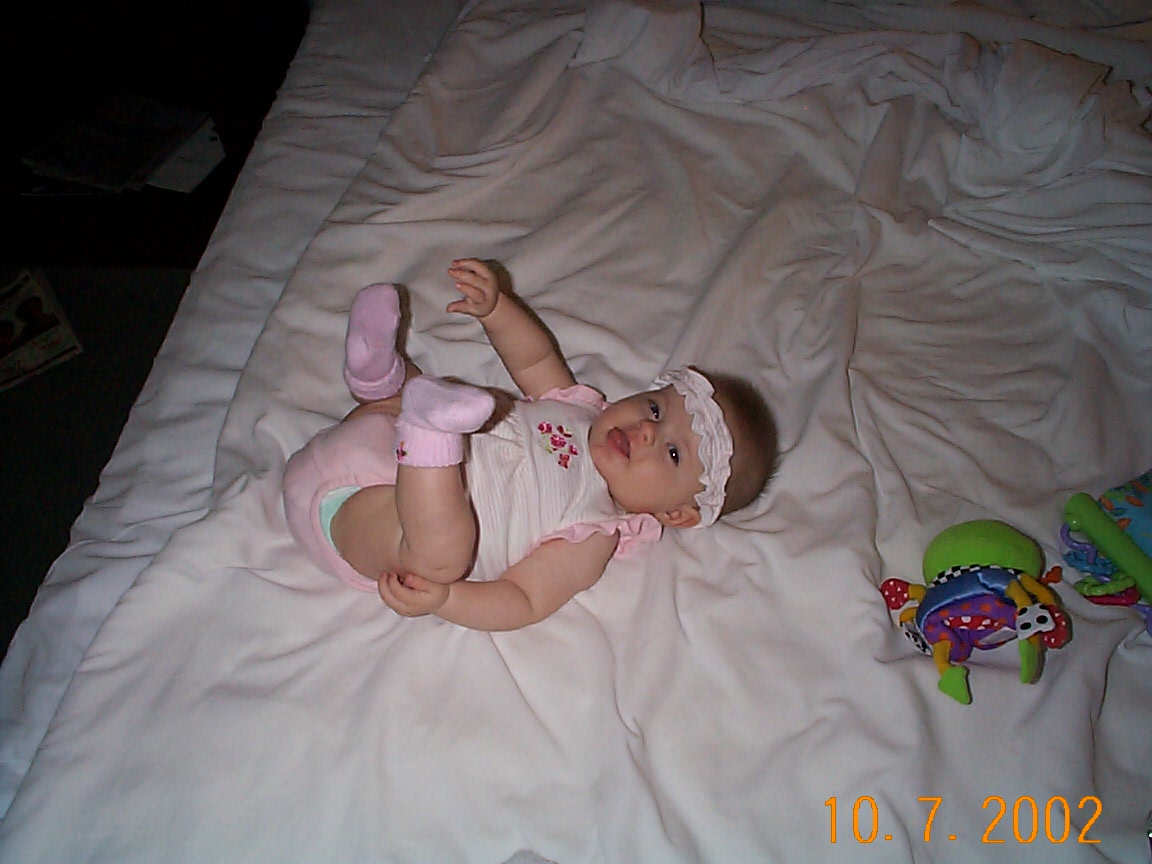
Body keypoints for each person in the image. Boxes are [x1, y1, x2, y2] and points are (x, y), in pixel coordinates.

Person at [283, 259, 777, 631]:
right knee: (414, 396)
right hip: (378, 434)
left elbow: (524, 599)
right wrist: (498, 310)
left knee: (442, 559)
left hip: (366, 517)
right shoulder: (580, 407)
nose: (648, 431)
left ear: (676, 514)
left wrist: (446, 600)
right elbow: (535, 359)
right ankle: (378, 375)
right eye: (654, 408)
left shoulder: (595, 530)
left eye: (672, 454)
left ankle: (427, 436)